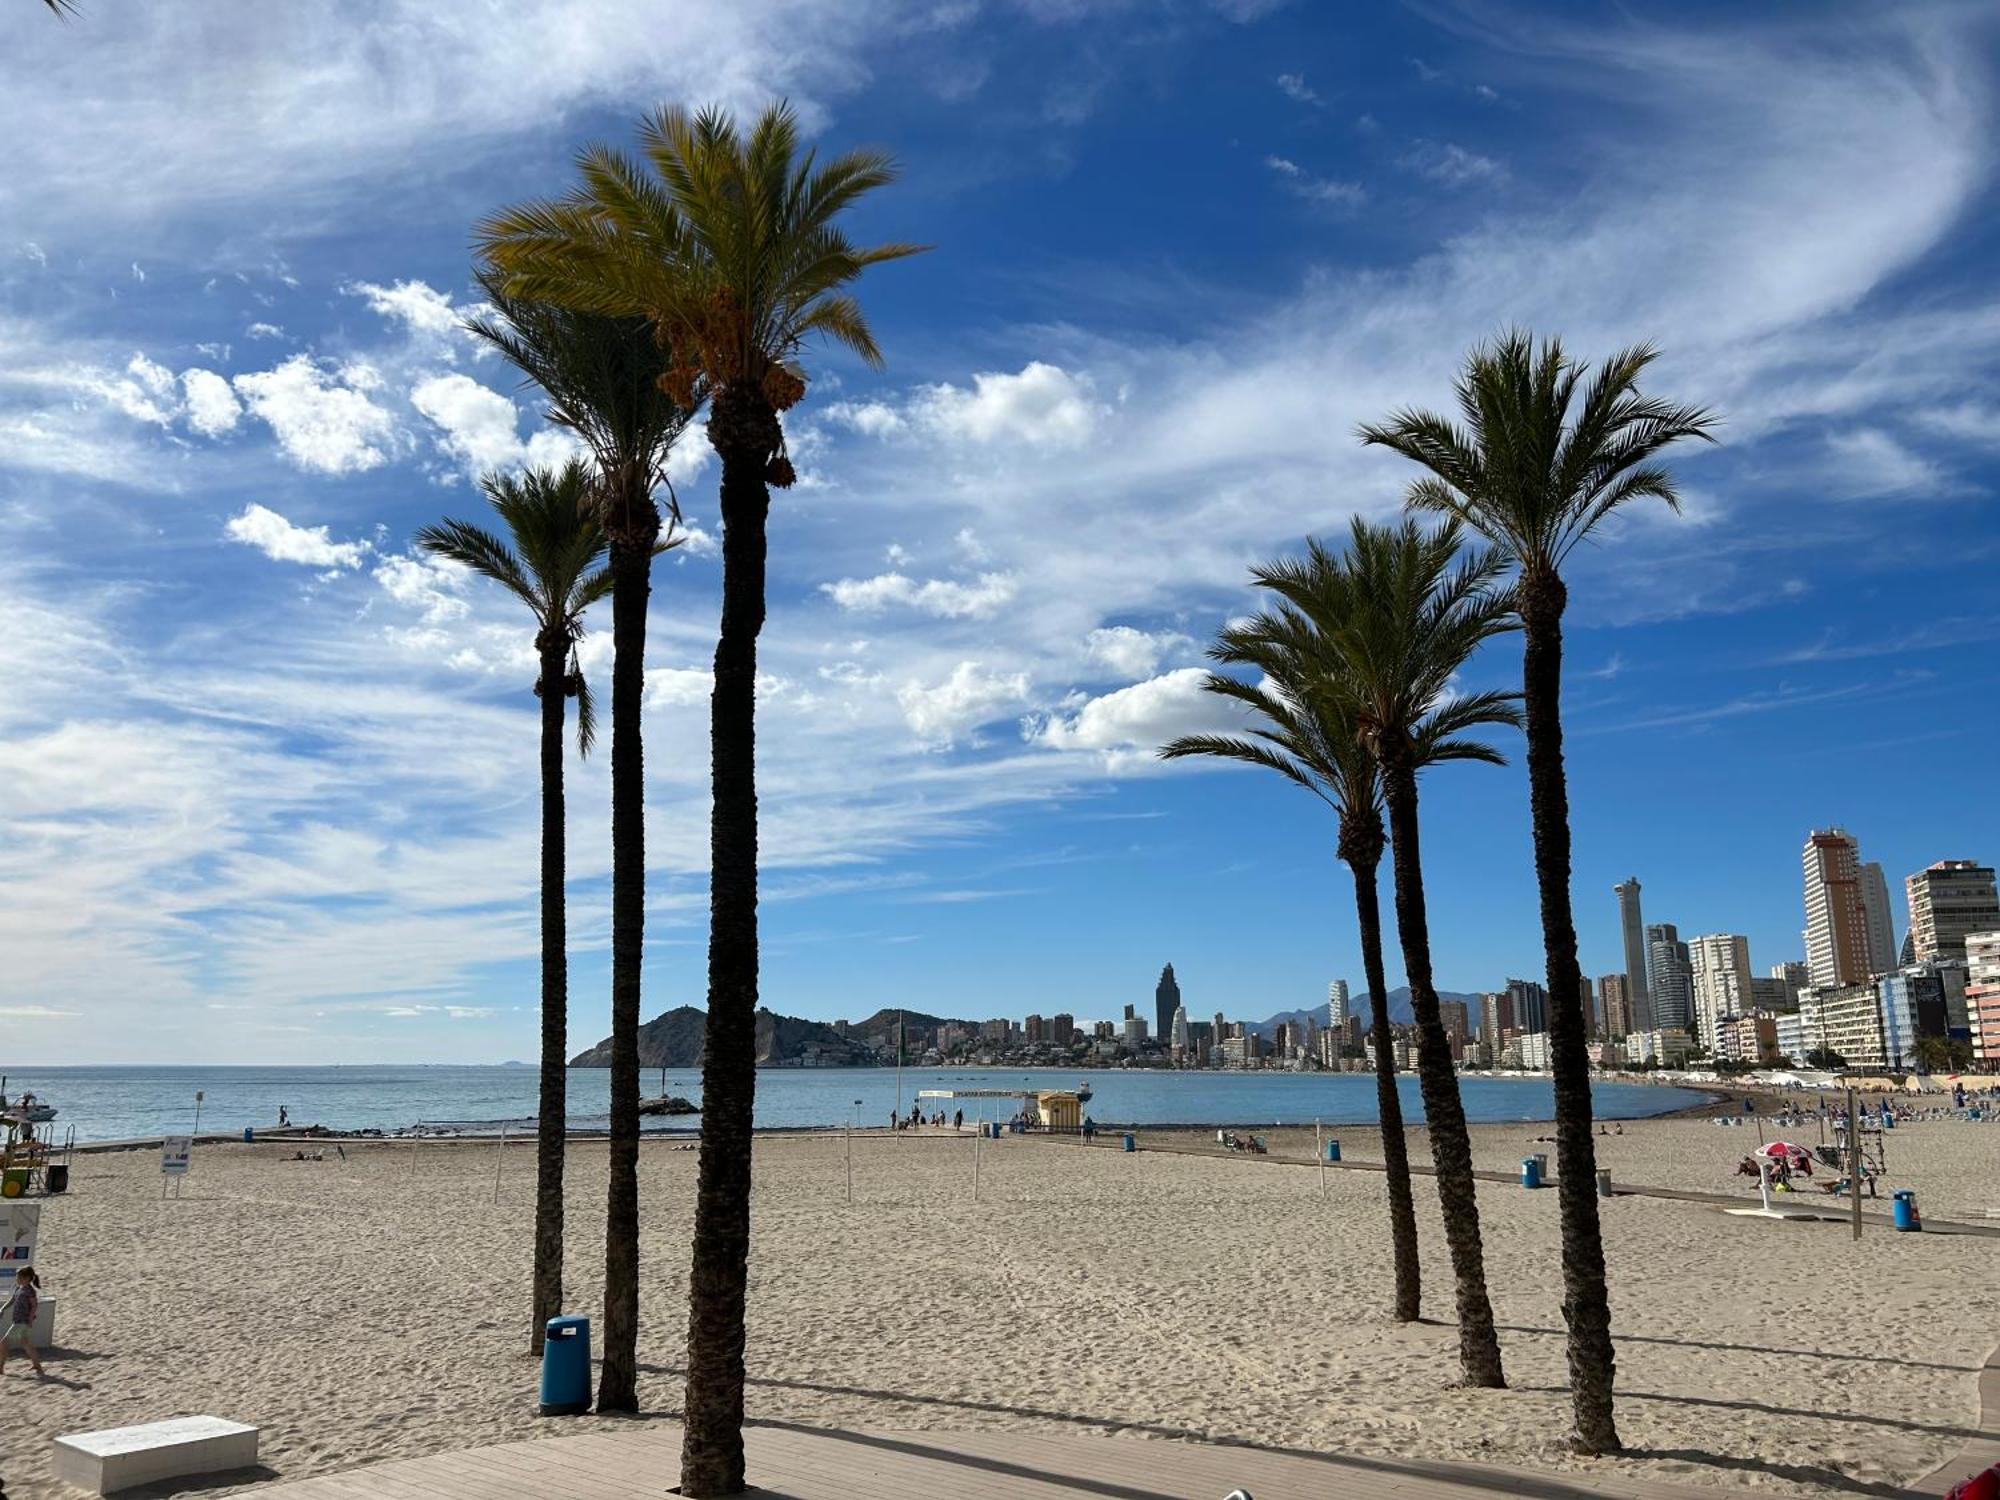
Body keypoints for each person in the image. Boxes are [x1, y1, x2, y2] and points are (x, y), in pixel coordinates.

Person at [1, 1266, 43, 1377]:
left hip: (22, 1321)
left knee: (3, 1343)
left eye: (19, 1277)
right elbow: (12, 1300)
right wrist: (2, 1308)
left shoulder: (30, 1291)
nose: (17, 1279)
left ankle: (0, 1367)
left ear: (27, 1278)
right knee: (26, 1343)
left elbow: (34, 1305)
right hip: (17, 1319)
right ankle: (37, 1365)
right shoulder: (18, 1288)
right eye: (17, 1277)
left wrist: (30, 1319)